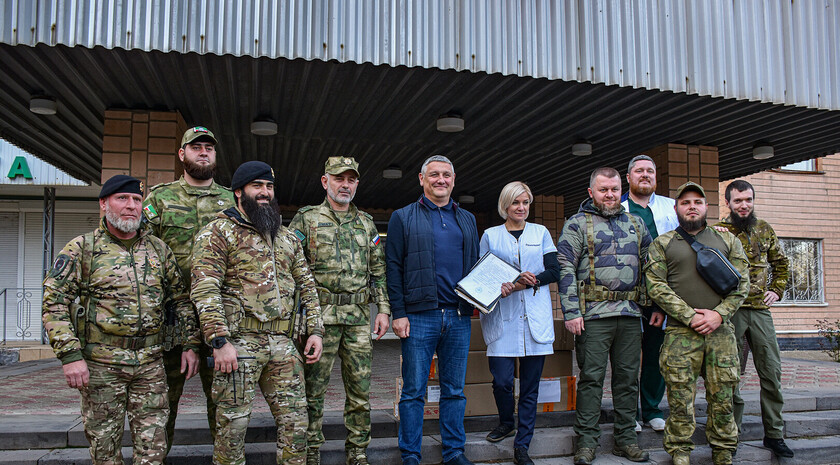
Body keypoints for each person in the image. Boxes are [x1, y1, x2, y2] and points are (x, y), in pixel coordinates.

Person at [42, 175, 200, 465]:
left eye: (137, 200)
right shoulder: (82, 249)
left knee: (153, 451)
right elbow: (54, 302)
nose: (131, 206)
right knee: (105, 451)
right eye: (123, 199)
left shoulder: (158, 250)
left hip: (151, 364)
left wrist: (191, 344)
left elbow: (180, 300)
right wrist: (69, 355)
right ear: (104, 203)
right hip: (102, 366)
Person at [191, 161, 325, 465]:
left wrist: (316, 330)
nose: (264, 192)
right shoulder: (218, 232)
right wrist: (219, 341)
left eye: (269, 186)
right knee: (232, 429)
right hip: (238, 345)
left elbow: (307, 286)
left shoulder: (286, 236)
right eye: (257, 186)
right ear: (239, 192)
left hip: (282, 343)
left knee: (296, 426)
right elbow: (204, 288)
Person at [289, 156, 391, 465]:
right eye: (338, 179)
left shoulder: (366, 223)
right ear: (325, 182)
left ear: (357, 183)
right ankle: (310, 453)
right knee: (313, 391)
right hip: (318, 321)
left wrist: (383, 309)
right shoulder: (306, 220)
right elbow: (290, 267)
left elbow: (378, 271)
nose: (345, 185)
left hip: (358, 320)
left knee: (360, 393)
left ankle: (357, 452)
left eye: (351, 179)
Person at [142, 126, 235, 452]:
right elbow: (140, 251)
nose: (204, 152)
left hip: (221, 316)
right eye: (196, 147)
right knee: (161, 404)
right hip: (169, 319)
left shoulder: (230, 200)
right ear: (182, 154)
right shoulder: (160, 198)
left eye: (209, 147)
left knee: (224, 404)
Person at [645, 182, 749, 465]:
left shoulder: (727, 241)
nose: (692, 206)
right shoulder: (663, 243)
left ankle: (724, 449)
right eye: (685, 202)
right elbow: (656, 287)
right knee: (679, 397)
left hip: (722, 332)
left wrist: (718, 315)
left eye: (698, 201)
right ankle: (680, 450)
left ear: (706, 207)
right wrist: (690, 316)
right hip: (680, 333)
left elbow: (742, 285)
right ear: (676, 209)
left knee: (723, 396)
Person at [385, 155, 480, 465]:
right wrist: (398, 312)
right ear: (421, 179)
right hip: (418, 317)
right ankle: (410, 454)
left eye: (447, 175)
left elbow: (476, 268)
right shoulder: (402, 216)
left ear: (454, 179)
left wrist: (483, 297)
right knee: (413, 391)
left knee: (454, 390)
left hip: (458, 316)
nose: (441, 180)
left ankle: (454, 452)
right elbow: (393, 266)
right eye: (434, 174)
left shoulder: (467, 218)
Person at [557, 167, 651, 465]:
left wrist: (654, 308)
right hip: (593, 317)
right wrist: (571, 311)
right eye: (603, 190)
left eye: (613, 189)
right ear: (591, 193)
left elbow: (652, 268)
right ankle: (586, 442)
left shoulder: (636, 223)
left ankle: (626, 440)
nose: (609, 195)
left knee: (627, 381)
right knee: (591, 380)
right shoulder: (576, 224)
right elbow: (565, 267)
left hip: (629, 314)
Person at [479, 181, 560, 465]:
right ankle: (506, 421)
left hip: (534, 316)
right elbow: (482, 277)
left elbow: (554, 271)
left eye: (526, 203)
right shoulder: (490, 235)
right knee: (502, 381)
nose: (521, 208)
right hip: (502, 316)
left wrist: (530, 282)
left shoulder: (541, 232)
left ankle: (522, 444)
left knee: (529, 386)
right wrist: (507, 283)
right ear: (505, 205)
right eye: (516, 203)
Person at [715, 180, 793, 458]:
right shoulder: (718, 232)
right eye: (738, 201)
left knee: (771, 372)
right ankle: (730, 436)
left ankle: (774, 434)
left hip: (760, 310)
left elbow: (781, 263)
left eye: (748, 199)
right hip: (731, 311)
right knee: (729, 375)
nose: (744, 205)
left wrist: (777, 290)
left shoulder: (764, 229)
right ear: (728, 203)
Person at [620, 154, 679, 433]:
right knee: (627, 356)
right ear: (628, 177)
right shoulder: (617, 208)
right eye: (639, 171)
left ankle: (652, 409)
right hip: (628, 295)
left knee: (657, 354)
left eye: (650, 171)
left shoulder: (671, 207)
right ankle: (628, 412)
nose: (645, 175)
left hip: (662, 294)